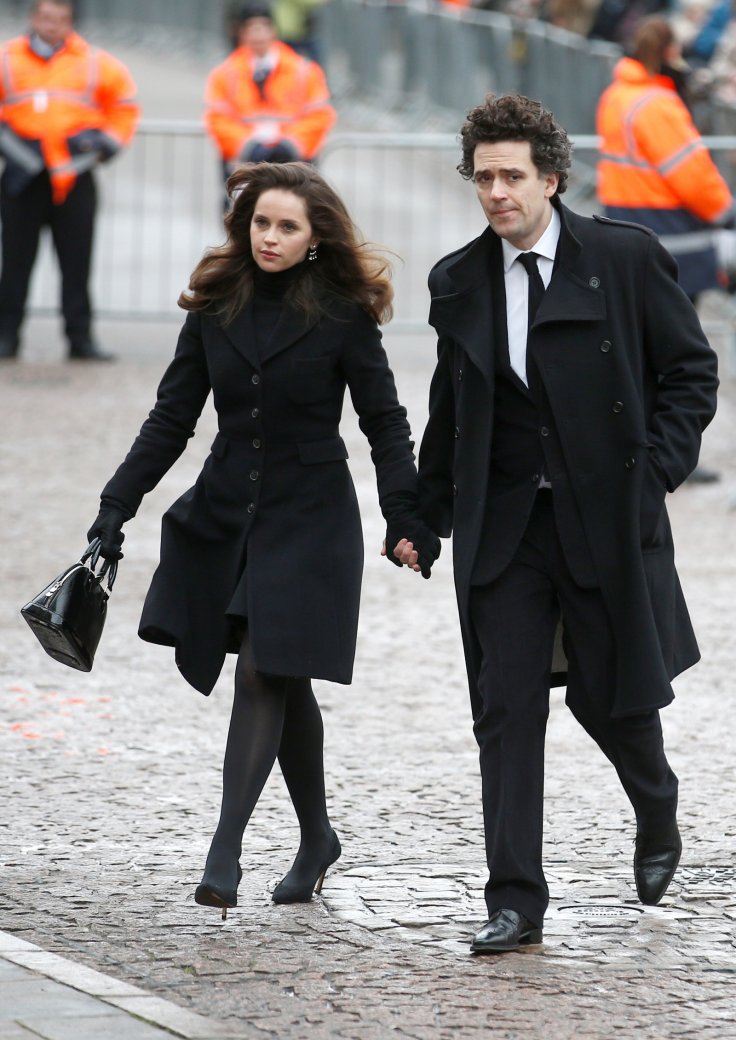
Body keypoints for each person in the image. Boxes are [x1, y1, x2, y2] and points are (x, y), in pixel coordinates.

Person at [394, 94, 718, 953]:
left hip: (603, 519)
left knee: (612, 703)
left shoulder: (622, 259)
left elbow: (690, 372)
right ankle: (515, 900)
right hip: (504, 529)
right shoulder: (458, 279)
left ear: (552, 177)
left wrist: (654, 474)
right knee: (505, 711)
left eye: (511, 175)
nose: (496, 192)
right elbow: (450, 410)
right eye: (483, 176)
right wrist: (423, 518)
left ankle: (656, 805)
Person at [86, 161, 439, 917]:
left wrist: (406, 517)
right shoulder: (216, 303)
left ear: (316, 239)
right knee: (283, 675)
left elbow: (385, 421)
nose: (270, 238)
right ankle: (318, 838)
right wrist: (118, 504)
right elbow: (170, 419)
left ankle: (225, 851)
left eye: (287, 227)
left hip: (311, 517)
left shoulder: (343, 312)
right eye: (260, 224)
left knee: (263, 674)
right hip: (228, 513)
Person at [596, 15, 733, 482]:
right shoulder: (657, 104)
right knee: (673, 355)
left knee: (637, 346)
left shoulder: (617, 94)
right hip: (671, 235)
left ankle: (635, 444)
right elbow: (692, 173)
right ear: (671, 52)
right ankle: (671, 451)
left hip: (626, 225)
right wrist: (726, 212)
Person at [0, 0, 139, 361]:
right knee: (15, 262)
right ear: (34, 18)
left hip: (74, 176)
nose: (52, 25)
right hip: (21, 176)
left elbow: (124, 106)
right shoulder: (6, 58)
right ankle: (6, 337)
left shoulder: (96, 62)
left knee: (76, 263)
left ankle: (80, 339)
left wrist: (107, 143)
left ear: (71, 21)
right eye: (46, 17)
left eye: (60, 19)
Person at [205, 4, 335, 190]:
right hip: (243, 166)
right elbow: (218, 120)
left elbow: (319, 116)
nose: (258, 35)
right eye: (251, 28)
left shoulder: (304, 71)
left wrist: (290, 145)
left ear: (274, 30)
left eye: (263, 27)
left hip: (294, 166)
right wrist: (248, 145)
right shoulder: (225, 74)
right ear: (241, 32)